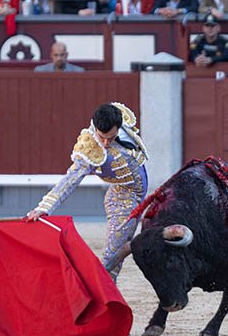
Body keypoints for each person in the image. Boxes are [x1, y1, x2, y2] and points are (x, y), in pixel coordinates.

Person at [25, 102, 148, 290]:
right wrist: (44, 207)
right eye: (102, 137)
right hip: (122, 199)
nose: (106, 143)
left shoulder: (121, 117)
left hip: (141, 196)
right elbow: (70, 180)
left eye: (111, 138)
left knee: (118, 256)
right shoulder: (89, 148)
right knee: (112, 258)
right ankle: (101, 300)